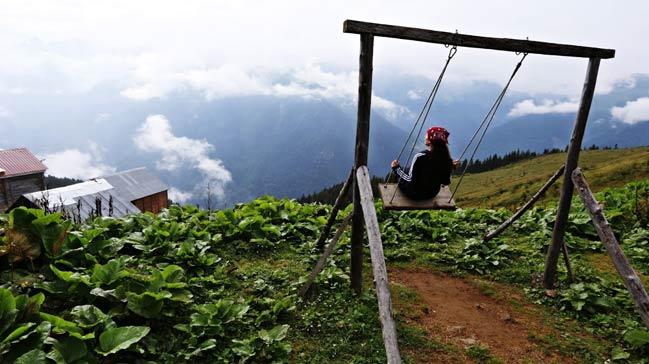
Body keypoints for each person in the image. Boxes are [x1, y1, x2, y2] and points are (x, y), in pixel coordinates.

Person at [390, 126, 457, 200]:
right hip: (431, 194)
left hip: (414, 194)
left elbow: (410, 180)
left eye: (426, 135)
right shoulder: (446, 159)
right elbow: (446, 182)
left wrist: (396, 169)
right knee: (407, 169)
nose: (425, 136)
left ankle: (398, 169)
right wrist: (450, 167)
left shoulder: (420, 156)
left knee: (401, 174)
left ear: (429, 140)